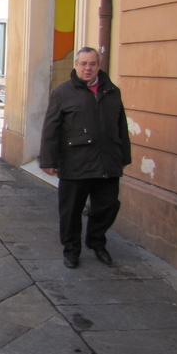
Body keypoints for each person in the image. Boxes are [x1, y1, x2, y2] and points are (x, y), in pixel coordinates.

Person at [39, 47, 132, 269]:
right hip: (75, 163)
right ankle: (71, 250)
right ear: (76, 65)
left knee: (108, 206)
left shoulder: (112, 91)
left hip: (107, 163)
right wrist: (48, 160)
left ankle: (96, 241)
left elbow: (121, 125)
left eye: (92, 64)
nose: (88, 68)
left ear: (98, 66)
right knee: (70, 211)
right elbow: (51, 128)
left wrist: (124, 157)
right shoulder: (63, 92)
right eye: (83, 64)